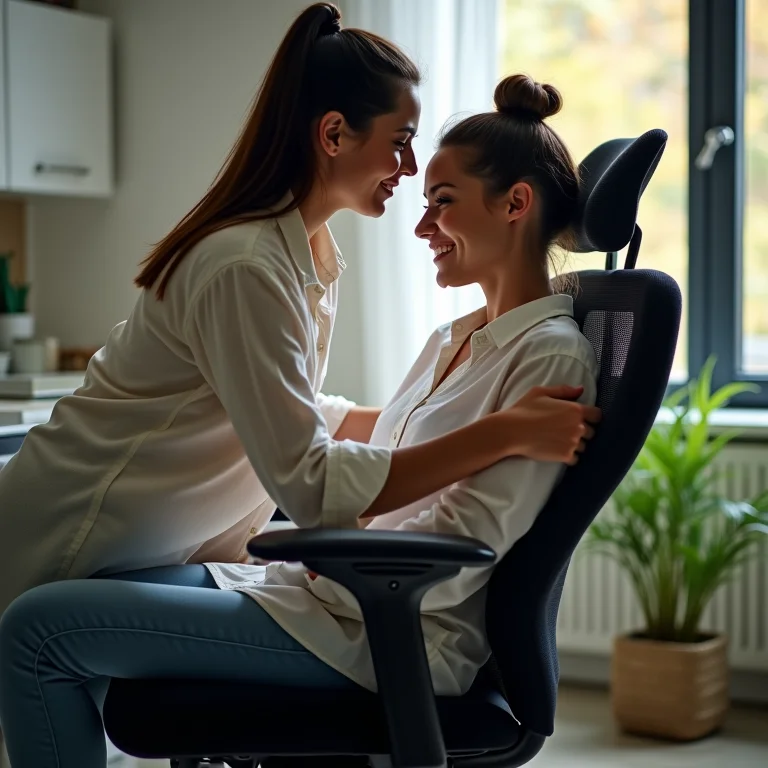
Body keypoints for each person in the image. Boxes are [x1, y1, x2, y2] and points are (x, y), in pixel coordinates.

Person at [0, 70, 598, 768]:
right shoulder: (453, 341)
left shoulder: (551, 359)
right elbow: (360, 432)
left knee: (36, 631)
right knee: (82, 600)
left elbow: (467, 547)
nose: (420, 221)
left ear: (515, 203)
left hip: (389, 628)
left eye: (441, 200)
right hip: (333, 600)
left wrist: (327, 560)